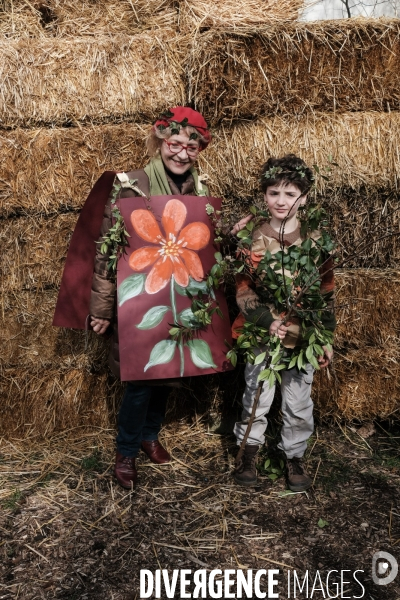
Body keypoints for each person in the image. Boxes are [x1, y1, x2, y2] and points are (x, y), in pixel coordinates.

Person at [89, 106, 223, 490]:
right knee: (142, 380)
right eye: (175, 143)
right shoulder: (131, 186)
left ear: (200, 151)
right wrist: (100, 309)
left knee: (169, 371)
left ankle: (150, 436)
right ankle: (126, 450)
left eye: (191, 147)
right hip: (142, 301)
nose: (182, 153)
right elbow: (107, 250)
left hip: (181, 294)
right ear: (161, 142)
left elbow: (208, 246)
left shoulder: (201, 189)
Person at [232, 154, 336, 491]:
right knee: (257, 393)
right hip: (263, 332)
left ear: (303, 198)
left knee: (298, 398)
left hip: (302, 335)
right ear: (264, 194)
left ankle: (294, 456)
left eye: (290, 194)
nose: (281, 201)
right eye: (274, 192)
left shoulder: (315, 240)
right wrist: (266, 320)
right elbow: (244, 289)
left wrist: (324, 337)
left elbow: (325, 291)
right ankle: (248, 451)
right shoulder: (253, 238)